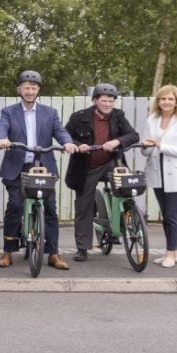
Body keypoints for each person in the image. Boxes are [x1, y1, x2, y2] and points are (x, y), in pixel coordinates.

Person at [0, 70, 77, 270]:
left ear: (38, 90)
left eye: (33, 87)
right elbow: (1, 128)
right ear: (19, 89)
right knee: (14, 205)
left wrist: (68, 143)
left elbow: (60, 132)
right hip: (17, 166)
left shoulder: (50, 113)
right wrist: (2, 139)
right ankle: (8, 251)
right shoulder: (8, 112)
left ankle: (53, 253)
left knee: (50, 209)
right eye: (26, 87)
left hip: (43, 166)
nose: (29, 91)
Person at [64, 83, 140, 262]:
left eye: (111, 101)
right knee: (84, 206)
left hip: (111, 163)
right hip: (87, 167)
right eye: (104, 101)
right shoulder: (79, 117)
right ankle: (82, 248)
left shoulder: (118, 116)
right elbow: (65, 137)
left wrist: (117, 142)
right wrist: (77, 145)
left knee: (127, 190)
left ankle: (123, 222)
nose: (108, 104)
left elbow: (133, 135)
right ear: (95, 100)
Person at [141, 84, 177, 268]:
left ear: (176, 101)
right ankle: (174, 251)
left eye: (170, 99)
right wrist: (146, 146)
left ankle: (170, 254)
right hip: (157, 173)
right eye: (163, 98)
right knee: (165, 215)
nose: (166, 102)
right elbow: (146, 152)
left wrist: (160, 145)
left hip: (176, 175)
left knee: (172, 216)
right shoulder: (152, 120)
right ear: (158, 101)